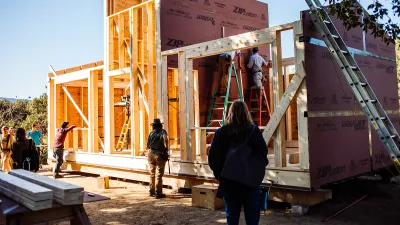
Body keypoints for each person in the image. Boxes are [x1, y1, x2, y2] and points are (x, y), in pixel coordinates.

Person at [208, 100, 269, 225]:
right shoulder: (254, 131)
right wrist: (257, 172)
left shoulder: (222, 132)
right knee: (252, 216)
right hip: (251, 180)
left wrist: (220, 175)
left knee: (232, 215)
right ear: (247, 113)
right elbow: (263, 153)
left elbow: (213, 157)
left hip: (229, 180)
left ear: (231, 113)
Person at [146, 118, 169, 198]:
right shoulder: (163, 131)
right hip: (159, 154)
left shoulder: (151, 133)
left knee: (152, 173)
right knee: (159, 174)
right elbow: (165, 138)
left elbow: (147, 145)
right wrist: (166, 147)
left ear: (154, 126)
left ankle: (151, 191)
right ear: (160, 125)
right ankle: (158, 193)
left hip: (150, 153)